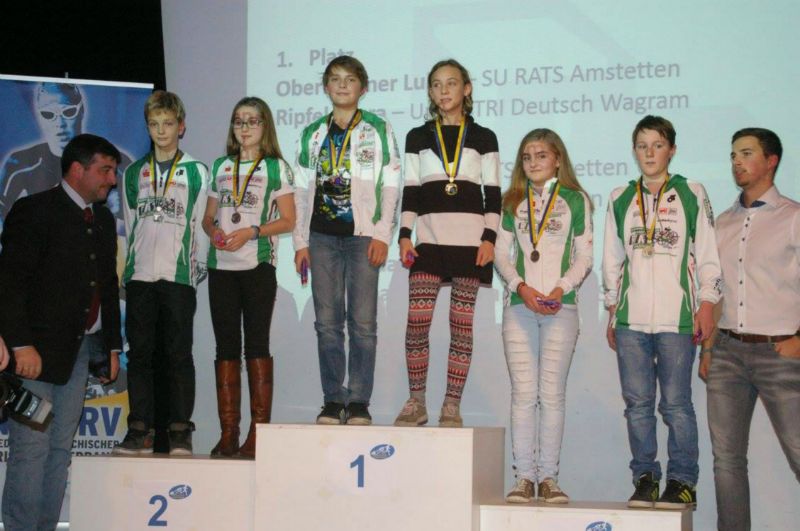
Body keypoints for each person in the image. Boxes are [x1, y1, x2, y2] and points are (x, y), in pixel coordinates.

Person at [0, 134, 122, 530]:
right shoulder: (33, 211)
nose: (112, 180)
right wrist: (20, 344)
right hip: (34, 356)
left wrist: (112, 347)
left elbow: (107, 284)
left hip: (81, 352)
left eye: (114, 171)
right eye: (105, 170)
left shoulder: (103, 219)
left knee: (59, 449)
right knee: (31, 448)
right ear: (77, 169)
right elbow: (10, 284)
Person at [602, 115, 721, 509]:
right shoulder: (620, 196)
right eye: (642, 146)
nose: (649, 153)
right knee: (638, 406)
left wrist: (707, 302)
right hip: (630, 321)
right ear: (634, 151)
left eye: (657, 145)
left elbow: (708, 254)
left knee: (676, 405)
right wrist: (612, 309)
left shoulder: (691, 192)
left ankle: (682, 481)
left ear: (672, 150)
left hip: (678, 318)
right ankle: (645, 478)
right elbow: (612, 260)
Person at [699, 128, 800, 531]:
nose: (736, 162)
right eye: (732, 155)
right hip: (726, 352)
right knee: (726, 461)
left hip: (779, 354)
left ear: (771, 161)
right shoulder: (722, 223)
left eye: (746, 153)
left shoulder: (793, 217)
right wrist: (708, 349)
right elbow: (717, 291)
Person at [293, 56, 401, 425]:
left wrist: (382, 233)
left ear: (362, 88)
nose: (342, 85)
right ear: (326, 87)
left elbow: (391, 185)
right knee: (327, 324)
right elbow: (300, 191)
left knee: (363, 324)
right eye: (335, 79)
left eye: (350, 79)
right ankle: (332, 399)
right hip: (321, 237)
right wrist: (300, 242)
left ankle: (358, 401)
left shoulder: (378, 128)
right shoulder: (312, 133)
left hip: (363, 237)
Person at [393, 59, 500, 428]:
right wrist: (404, 235)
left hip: (471, 245)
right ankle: (417, 401)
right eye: (436, 84)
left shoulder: (484, 137)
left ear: (466, 89)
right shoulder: (417, 137)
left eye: (451, 83)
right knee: (416, 325)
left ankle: (451, 405)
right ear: (430, 92)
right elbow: (410, 191)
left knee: (461, 327)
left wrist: (489, 239)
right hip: (429, 243)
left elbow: (493, 194)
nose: (444, 91)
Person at [495, 129, 593, 503]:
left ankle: (548, 478)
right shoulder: (512, 201)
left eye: (541, 155)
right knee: (523, 395)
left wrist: (560, 288)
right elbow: (501, 255)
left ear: (557, 159)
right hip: (519, 307)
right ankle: (524, 477)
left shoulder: (575, 199)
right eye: (526, 157)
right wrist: (520, 287)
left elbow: (585, 256)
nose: (533, 162)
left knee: (551, 396)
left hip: (560, 307)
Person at [113, 90, 209, 456]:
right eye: (154, 124)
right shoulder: (133, 172)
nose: (161, 131)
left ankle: (180, 429)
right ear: (147, 127)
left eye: (168, 124)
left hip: (179, 275)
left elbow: (201, 223)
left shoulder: (197, 171)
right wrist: (130, 268)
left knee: (178, 354)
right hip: (141, 277)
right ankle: (139, 428)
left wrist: (196, 269)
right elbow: (130, 221)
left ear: (181, 127)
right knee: (139, 354)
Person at [202, 97, 295, 458]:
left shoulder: (276, 167)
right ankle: (229, 434)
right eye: (238, 121)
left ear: (264, 126)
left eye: (252, 121)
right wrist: (214, 232)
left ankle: (257, 435)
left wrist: (252, 232)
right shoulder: (220, 166)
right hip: (221, 267)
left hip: (258, 266)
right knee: (225, 348)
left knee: (256, 345)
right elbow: (207, 217)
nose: (244, 127)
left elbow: (288, 220)